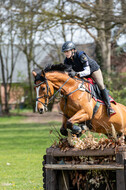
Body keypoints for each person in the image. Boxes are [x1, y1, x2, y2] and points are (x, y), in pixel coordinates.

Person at [62, 41, 115, 117]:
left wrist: (77, 74)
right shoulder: (66, 60)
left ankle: (109, 106)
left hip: (93, 70)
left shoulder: (81, 55)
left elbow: (87, 71)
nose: (66, 53)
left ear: (73, 50)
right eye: (65, 52)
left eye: (67, 51)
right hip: (82, 73)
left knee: (100, 85)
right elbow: (67, 72)